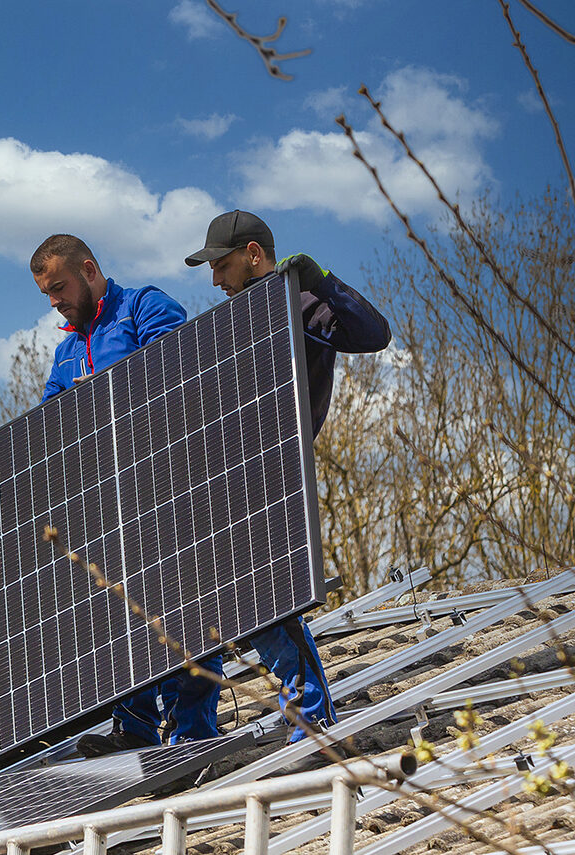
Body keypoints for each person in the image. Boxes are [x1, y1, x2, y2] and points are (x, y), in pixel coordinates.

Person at [0, 233, 224, 756]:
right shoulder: (67, 352)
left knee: (186, 611)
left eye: (59, 287)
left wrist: (103, 404)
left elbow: (176, 375)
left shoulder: (144, 308)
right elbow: (41, 435)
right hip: (111, 508)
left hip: (170, 490)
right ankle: (133, 727)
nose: (54, 302)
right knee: (120, 615)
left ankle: (194, 733)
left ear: (89, 269)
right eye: (45, 294)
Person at [185, 209, 392, 744]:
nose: (215, 280)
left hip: (275, 477)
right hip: (222, 477)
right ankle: (193, 732)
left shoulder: (303, 305)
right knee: (196, 601)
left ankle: (312, 718)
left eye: (223, 265)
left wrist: (323, 281)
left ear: (254, 255)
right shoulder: (229, 322)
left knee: (265, 602)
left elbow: (374, 335)